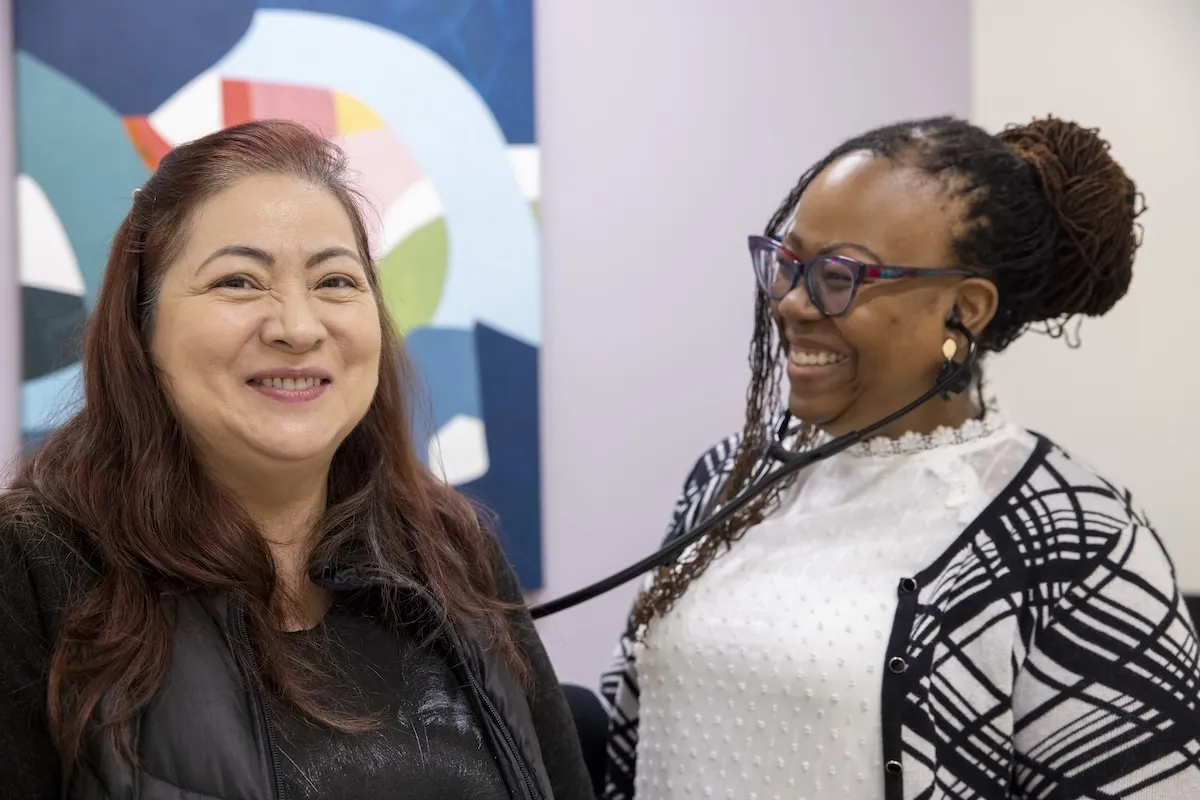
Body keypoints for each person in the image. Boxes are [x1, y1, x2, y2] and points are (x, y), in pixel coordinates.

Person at [600, 116, 1200, 799]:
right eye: (788, 263)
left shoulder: (1079, 540)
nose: (793, 302)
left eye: (839, 275)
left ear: (965, 310)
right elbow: (631, 735)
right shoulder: (729, 480)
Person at [0, 119, 593, 800]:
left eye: (335, 281)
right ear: (142, 326)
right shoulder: (31, 568)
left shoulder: (454, 550)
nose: (298, 326)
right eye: (238, 283)